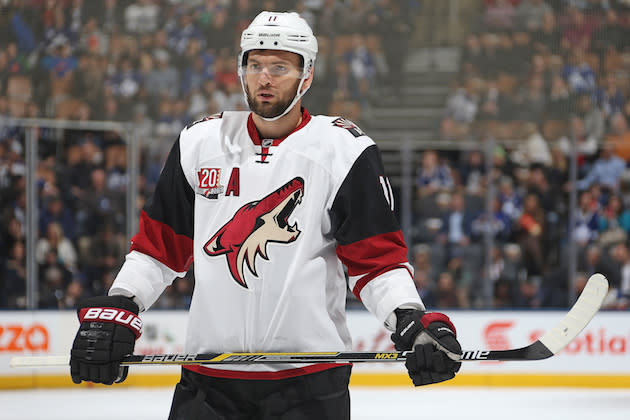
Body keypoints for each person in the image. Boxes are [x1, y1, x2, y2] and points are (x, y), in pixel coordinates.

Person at [69, 11, 462, 419]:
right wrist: (121, 304)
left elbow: (377, 264)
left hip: (310, 386)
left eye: (280, 66)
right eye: (254, 65)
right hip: (208, 383)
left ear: (306, 76)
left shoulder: (344, 150)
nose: (264, 78)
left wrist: (411, 319)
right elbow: (158, 250)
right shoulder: (199, 142)